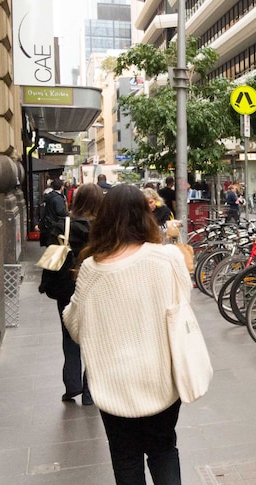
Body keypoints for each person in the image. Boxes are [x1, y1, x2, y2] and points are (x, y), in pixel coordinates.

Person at [63, 184, 189, 484]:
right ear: (145, 216)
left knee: (125, 457)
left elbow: (75, 327)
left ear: (105, 218)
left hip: (113, 383)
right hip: (162, 376)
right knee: (163, 449)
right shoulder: (168, 258)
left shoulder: (92, 268)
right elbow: (182, 304)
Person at [38, 183, 103, 406]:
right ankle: (89, 391)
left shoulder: (63, 224)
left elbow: (49, 247)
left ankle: (72, 385)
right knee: (95, 337)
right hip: (96, 286)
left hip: (67, 285)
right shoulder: (103, 227)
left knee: (69, 334)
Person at [39, 179, 68, 247]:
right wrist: (68, 214)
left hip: (48, 225)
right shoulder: (58, 198)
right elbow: (61, 211)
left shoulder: (49, 196)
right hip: (55, 225)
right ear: (62, 187)